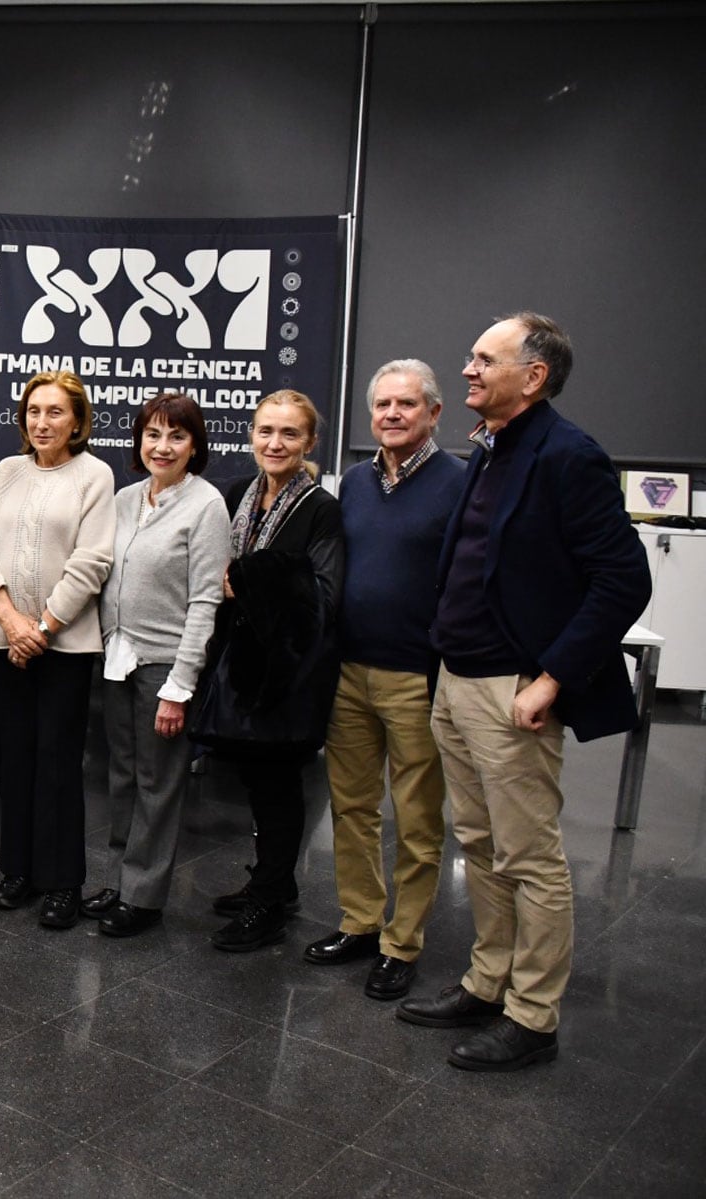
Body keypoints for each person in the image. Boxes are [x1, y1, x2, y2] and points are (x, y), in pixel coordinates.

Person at [400, 313, 649, 1071]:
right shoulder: (492, 447)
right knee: (477, 846)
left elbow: (624, 579)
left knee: (528, 855)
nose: (468, 370)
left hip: (512, 690)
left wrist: (553, 678)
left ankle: (533, 1015)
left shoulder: (569, 456)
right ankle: (488, 978)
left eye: (484, 359)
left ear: (533, 375)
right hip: (457, 677)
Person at [305, 361, 465, 999]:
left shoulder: (460, 481)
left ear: (433, 412)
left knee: (419, 821)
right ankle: (362, 922)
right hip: (350, 670)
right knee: (352, 807)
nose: (392, 415)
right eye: (382, 405)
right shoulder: (357, 481)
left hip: (417, 676)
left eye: (406, 404)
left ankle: (403, 943)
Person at [190, 390, 344, 952]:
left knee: (280, 787)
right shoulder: (239, 494)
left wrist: (247, 579)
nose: (275, 444)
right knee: (257, 783)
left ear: (309, 443)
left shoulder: (322, 509)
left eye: (289, 434)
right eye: (265, 431)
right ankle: (271, 881)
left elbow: (323, 595)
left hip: (290, 671)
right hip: (242, 666)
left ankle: (270, 905)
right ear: (251, 436)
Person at [0, 370, 115, 929]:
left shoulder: (94, 475)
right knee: (15, 763)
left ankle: (61, 883)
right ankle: (18, 871)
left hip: (65, 648)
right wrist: (7, 617)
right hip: (4, 642)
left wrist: (42, 629)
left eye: (55, 412)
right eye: (33, 411)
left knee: (57, 764)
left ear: (77, 421)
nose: (42, 422)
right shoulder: (5, 472)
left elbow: (92, 561)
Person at [82, 392, 230, 936]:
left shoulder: (207, 505)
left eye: (177, 436)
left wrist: (179, 686)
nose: (162, 446)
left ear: (195, 446)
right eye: (152, 434)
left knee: (158, 782)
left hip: (164, 667)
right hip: (116, 659)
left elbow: (204, 603)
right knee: (121, 777)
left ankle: (143, 897)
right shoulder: (124, 499)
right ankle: (122, 879)